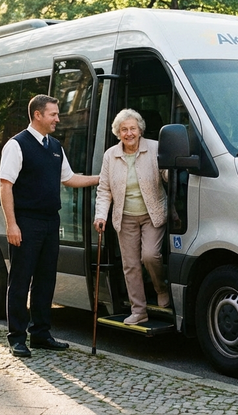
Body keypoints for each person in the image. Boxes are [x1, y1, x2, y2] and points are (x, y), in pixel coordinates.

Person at [0, 94, 99, 358]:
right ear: (37, 115)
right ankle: (17, 337)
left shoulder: (55, 146)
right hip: (26, 222)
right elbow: (5, 185)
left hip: (50, 222)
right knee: (20, 281)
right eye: (53, 114)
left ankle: (40, 334)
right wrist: (12, 225)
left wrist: (102, 178)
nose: (58, 118)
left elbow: (69, 178)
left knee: (45, 279)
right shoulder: (17, 145)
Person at [94, 108, 169, 326]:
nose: (129, 133)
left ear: (140, 130)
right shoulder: (111, 155)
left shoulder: (154, 148)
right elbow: (104, 189)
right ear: (118, 132)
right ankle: (139, 310)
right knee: (131, 265)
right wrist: (101, 215)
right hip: (125, 217)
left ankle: (160, 288)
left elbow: (167, 175)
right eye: (124, 129)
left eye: (132, 129)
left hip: (152, 213)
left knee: (150, 256)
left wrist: (172, 168)